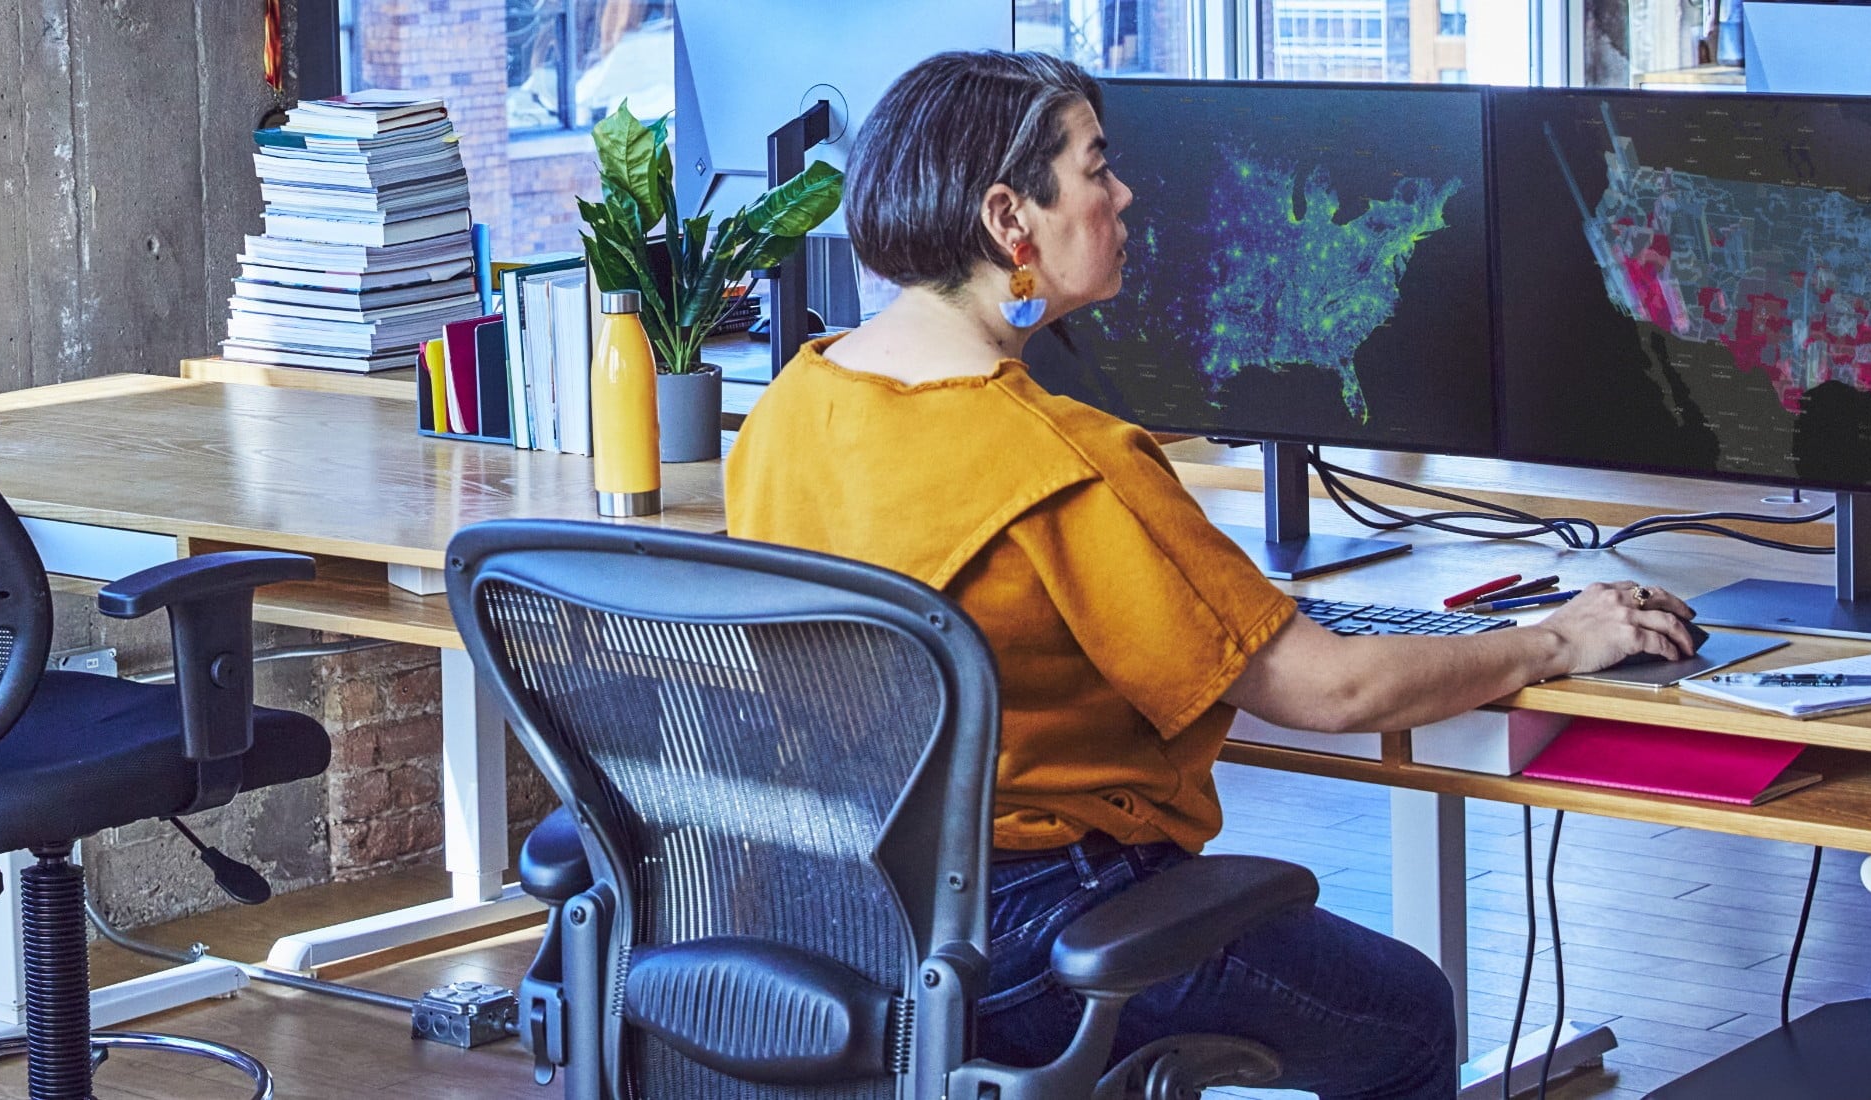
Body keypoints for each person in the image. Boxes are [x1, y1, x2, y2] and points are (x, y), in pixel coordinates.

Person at [723, 50, 1699, 1100]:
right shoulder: (1063, 456)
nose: (1125, 193)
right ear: (1013, 218)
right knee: (1408, 1014)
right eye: (1097, 168)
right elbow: (1331, 688)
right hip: (1035, 940)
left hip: (842, 913)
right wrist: (1559, 635)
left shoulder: (794, 401)